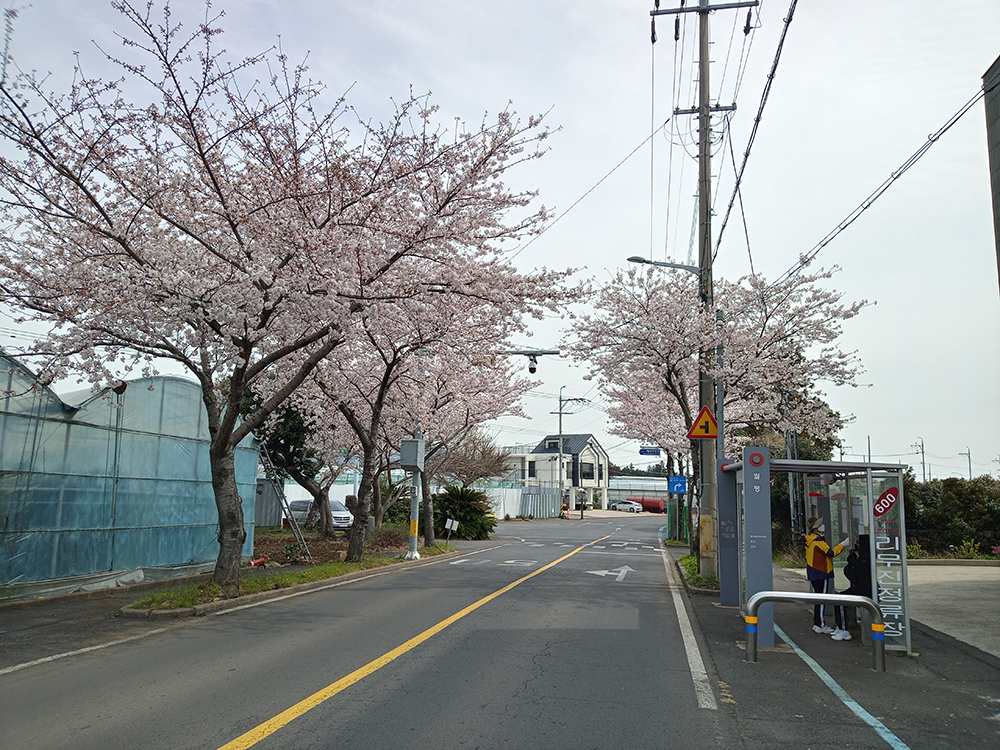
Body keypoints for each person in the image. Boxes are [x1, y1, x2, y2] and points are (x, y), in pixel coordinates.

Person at [803, 516, 851, 641]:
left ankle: (817, 623)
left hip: (813, 572)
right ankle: (820, 624)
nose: (823, 526)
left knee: (818, 598)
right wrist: (843, 544)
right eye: (821, 524)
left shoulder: (810, 540)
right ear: (816, 528)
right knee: (822, 599)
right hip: (821, 572)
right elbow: (831, 553)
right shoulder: (818, 541)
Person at [842, 534, 872, 599]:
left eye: (858, 542)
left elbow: (859, 567)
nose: (856, 544)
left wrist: (852, 556)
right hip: (861, 587)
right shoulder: (863, 556)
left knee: (840, 599)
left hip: (864, 589)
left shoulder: (866, 557)